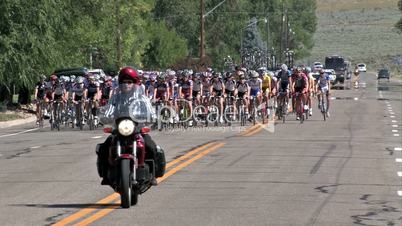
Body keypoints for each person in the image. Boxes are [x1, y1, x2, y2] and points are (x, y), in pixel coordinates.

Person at [98, 66, 163, 186]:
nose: (126, 84)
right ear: (120, 83)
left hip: (137, 129)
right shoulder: (116, 98)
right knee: (103, 148)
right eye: (123, 82)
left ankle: (153, 175)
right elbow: (109, 111)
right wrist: (104, 117)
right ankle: (106, 175)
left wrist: (152, 117)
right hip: (119, 129)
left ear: (135, 83)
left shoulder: (142, 98)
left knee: (151, 147)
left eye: (129, 82)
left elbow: (150, 112)